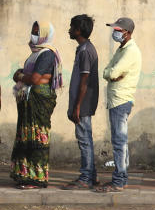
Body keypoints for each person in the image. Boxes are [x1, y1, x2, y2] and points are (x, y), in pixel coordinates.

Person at [10, 20, 63, 189]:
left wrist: (20, 75)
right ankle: (24, 175)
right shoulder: (34, 53)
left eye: (37, 32)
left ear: (45, 35)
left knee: (37, 137)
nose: (33, 35)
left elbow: (34, 78)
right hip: (28, 100)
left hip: (39, 101)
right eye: (33, 31)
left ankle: (37, 179)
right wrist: (22, 75)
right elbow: (28, 76)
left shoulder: (47, 53)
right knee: (26, 136)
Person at [97, 17, 141, 193]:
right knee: (119, 141)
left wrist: (112, 74)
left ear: (127, 32)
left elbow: (113, 71)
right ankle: (120, 178)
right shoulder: (121, 50)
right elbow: (107, 71)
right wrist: (111, 74)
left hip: (121, 100)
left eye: (118, 30)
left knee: (119, 142)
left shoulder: (131, 51)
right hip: (116, 99)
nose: (115, 33)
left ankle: (119, 181)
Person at [62, 15, 99, 190]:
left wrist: (77, 106)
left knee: (84, 140)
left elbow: (84, 81)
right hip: (83, 103)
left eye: (71, 27)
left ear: (78, 30)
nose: (69, 30)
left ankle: (85, 178)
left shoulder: (85, 50)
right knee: (86, 140)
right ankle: (91, 175)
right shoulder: (84, 48)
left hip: (83, 104)